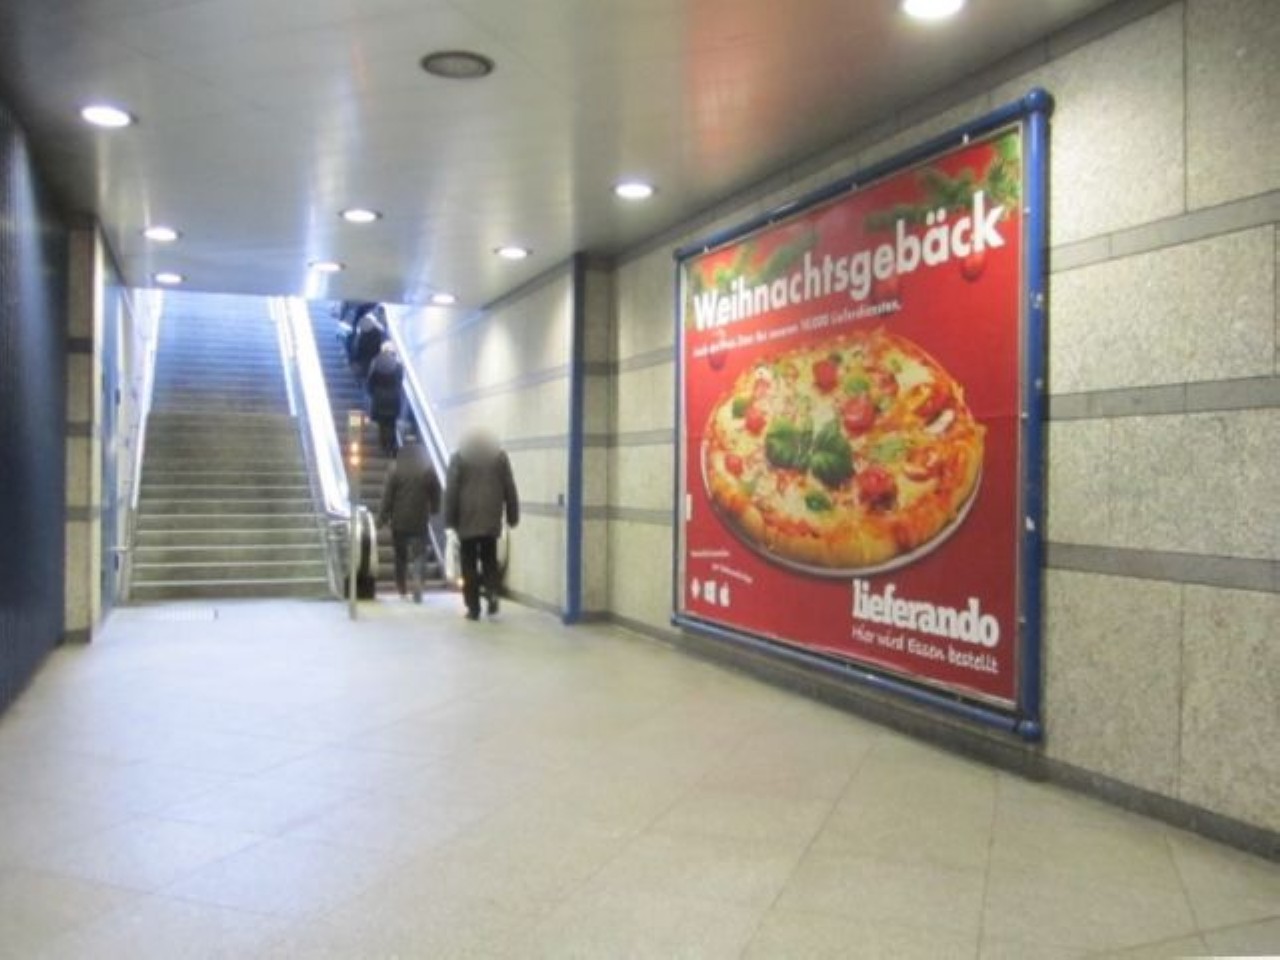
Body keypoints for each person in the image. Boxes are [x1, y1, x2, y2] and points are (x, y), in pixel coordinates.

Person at [444, 429, 519, 620]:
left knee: (468, 561)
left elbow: (451, 490)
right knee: (489, 558)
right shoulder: (499, 457)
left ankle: (473, 607)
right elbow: (509, 486)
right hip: (491, 516)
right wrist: (513, 515)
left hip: (466, 517)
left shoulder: (459, 457)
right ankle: (492, 592)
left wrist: (449, 520)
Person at [377, 431, 441, 602]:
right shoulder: (427, 467)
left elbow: (387, 497)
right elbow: (436, 491)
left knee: (400, 556)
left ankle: (402, 587)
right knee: (419, 554)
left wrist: (381, 518)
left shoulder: (395, 467)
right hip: (420, 519)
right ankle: (418, 580)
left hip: (399, 521)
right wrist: (435, 508)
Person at [365, 341, 404, 457]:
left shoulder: (376, 363)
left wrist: (373, 393)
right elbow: (399, 382)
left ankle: (384, 447)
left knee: (382, 424)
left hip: (380, 398)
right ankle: (393, 447)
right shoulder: (399, 366)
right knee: (392, 423)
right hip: (394, 399)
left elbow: (370, 382)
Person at [349, 304, 386, 379]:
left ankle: (361, 377)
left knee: (365, 363)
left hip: (368, 350)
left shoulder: (375, 324)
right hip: (366, 349)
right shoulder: (371, 320)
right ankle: (360, 376)